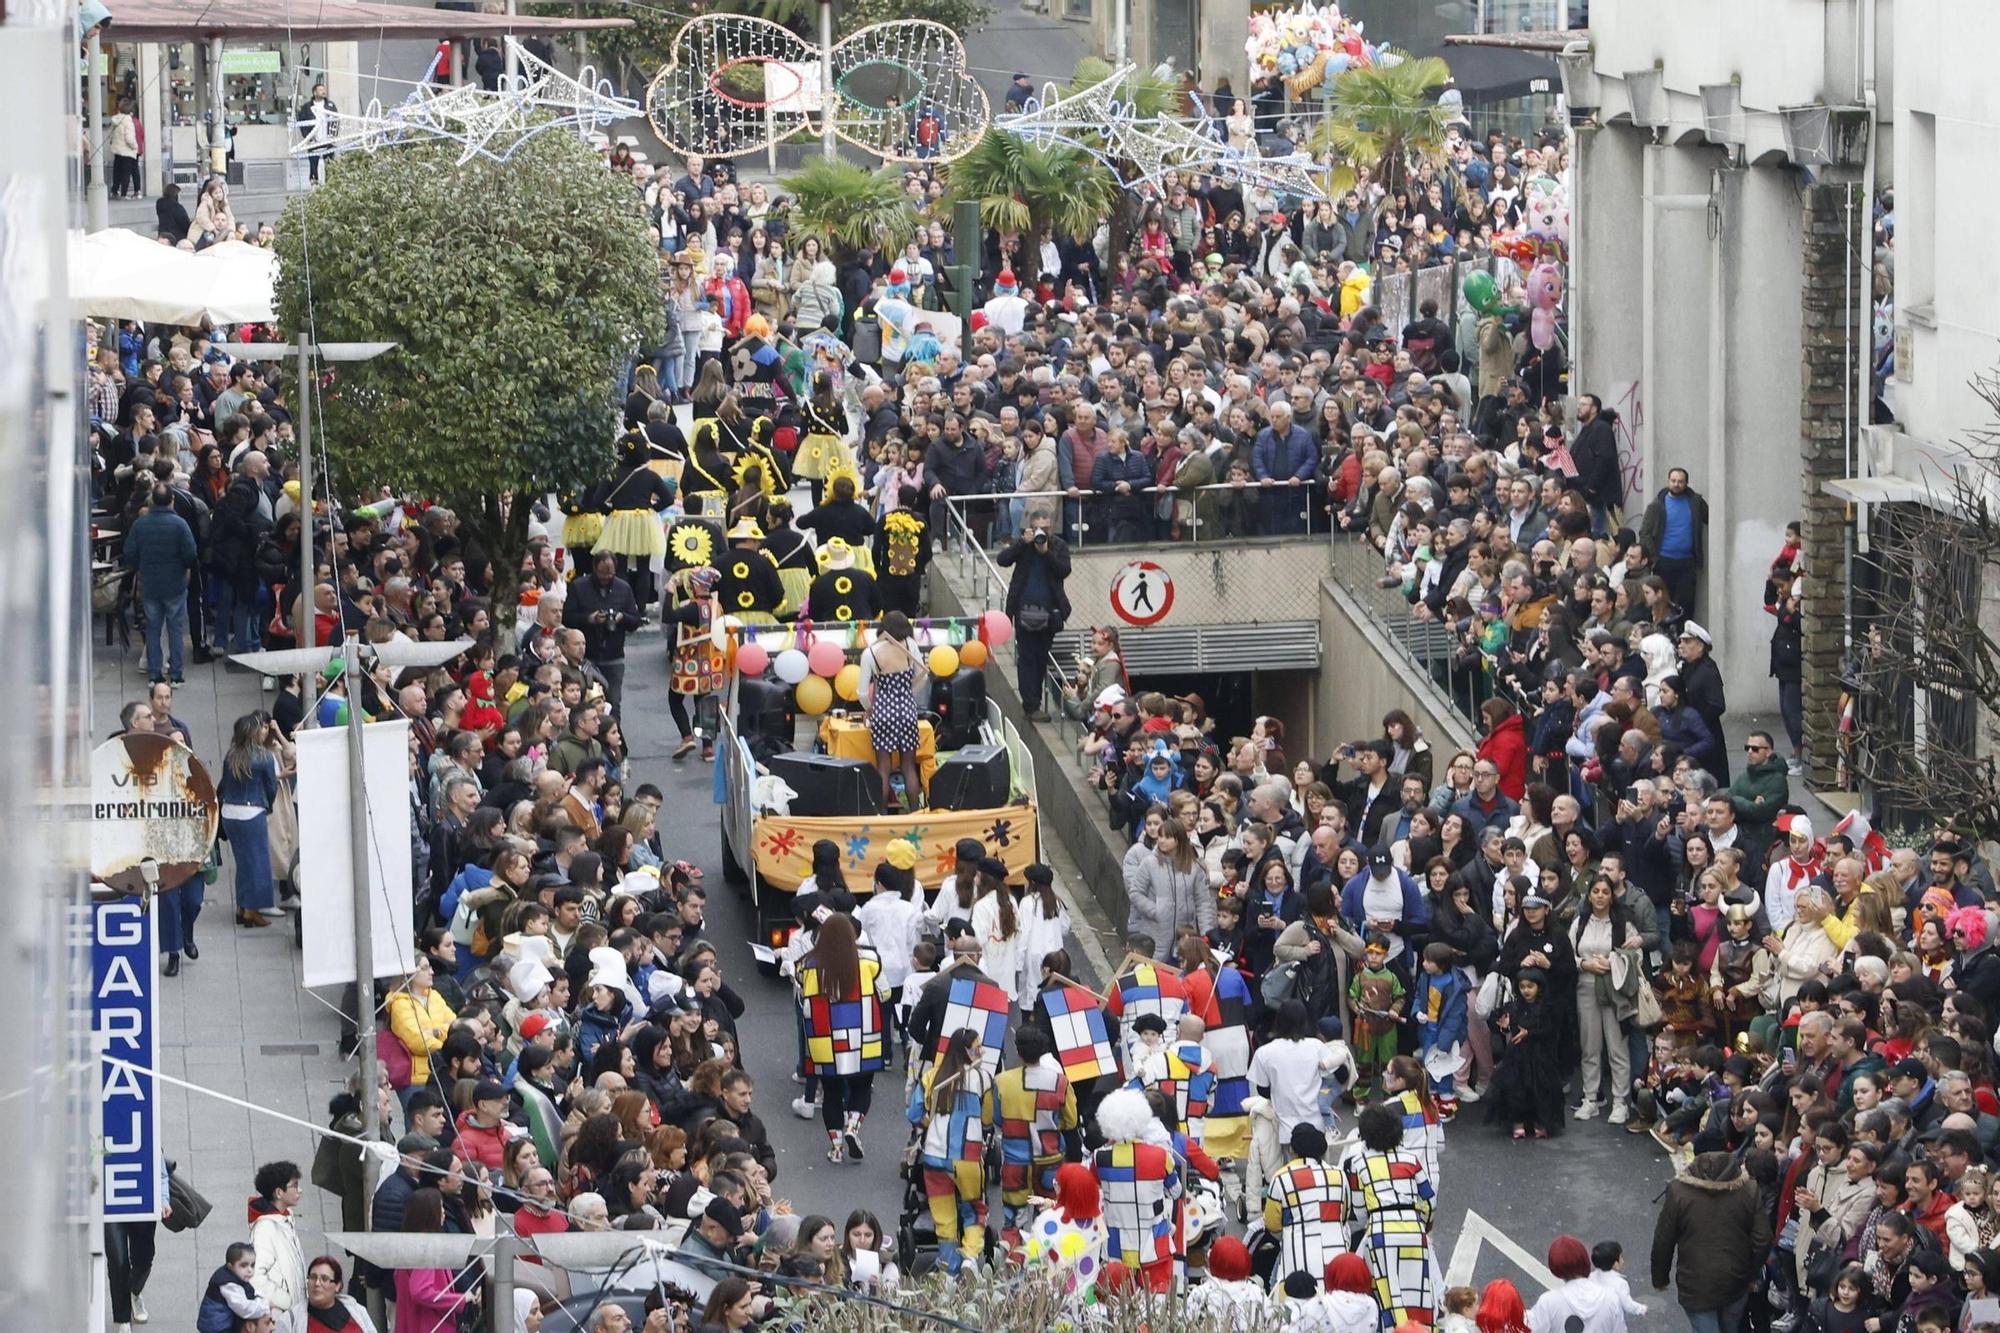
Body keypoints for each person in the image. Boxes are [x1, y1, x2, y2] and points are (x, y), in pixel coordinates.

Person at [795, 913, 888, 1163]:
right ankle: (853, 1127)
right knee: (861, 1087)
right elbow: (886, 992)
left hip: (824, 1040)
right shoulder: (869, 959)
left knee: (832, 1092)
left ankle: (835, 1149)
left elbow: (802, 989)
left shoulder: (808, 964)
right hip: (864, 1037)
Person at [1650, 1152, 1773, 1333]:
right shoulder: (1749, 1190)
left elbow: (1663, 1239)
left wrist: (1660, 1278)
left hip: (1696, 1286)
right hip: (1735, 1282)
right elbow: (1762, 1239)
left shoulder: (1679, 1192)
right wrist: (1750, 1273)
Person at [907, 1027, 997, 1273]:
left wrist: (931, 1123)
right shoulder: (983, 1079)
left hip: (934, 1156)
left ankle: (948, 1265)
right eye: (978, 1048)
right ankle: (969, 1256)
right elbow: (989, 1118)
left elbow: (914, 1114)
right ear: (969, 1052)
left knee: (944, 1217)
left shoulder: (932, 1077)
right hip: (967, 1158)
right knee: (975, 1209)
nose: (981, 1052)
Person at [1346, 1102, 1437, 1331]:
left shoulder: (1359, 1163)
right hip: (1414, 1230)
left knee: (1388, 1297)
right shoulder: (1410, 1159)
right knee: (1419, 1293)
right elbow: (1429, 1200)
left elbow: (1358, 1209)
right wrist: (1422, 1224)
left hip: (1381, 1233)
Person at [994, 510, 1071, 720]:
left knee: (1040, 657)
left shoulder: (1059, 546)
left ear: (1051, 528)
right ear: (1030, 527)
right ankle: (1031, 705)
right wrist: (1021, 543)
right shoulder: (1024, 546)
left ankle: (1035, 701)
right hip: (1023, 612)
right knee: (1027, 659)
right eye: (1037, 528)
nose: (1041, 532)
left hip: (1050, 614)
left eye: (1045, 528)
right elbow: (1002, 560)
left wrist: (1046, 551)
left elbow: (1064, 570)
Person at [123, 484, 199, 685]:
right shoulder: (180, 524)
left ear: (152, 500)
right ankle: (176, 674)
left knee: (153, 629)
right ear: (172, 500)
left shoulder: (140, 524)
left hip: (150, 584)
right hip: (175, 583)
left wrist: (142, 566)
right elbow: (191, 555)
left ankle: (154, 674)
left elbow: (129, 554)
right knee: (175, 630)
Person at [219, 711, 283, 934]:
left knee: (243, 863)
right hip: (252, 812)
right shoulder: (264, 757)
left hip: (229, 812)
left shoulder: (231, 755)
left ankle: (241, 905)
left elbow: (223, 785)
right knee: (259, 863)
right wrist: (268, 806)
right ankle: (252, 910)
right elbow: (271, 787)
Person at [858, 609, 925, 811]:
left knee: (884, 767)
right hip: (906, 710)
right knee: (908, 765)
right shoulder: (910, 645)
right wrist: (908, 693)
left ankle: (882, 813)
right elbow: (922, 674)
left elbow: (862, 692)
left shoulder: (869, 653)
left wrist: (869, 709)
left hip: (882, 712)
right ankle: (914, 810)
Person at [249, 1161, 307, 1333]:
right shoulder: (266, 1228)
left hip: (293, 1317)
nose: (299, 1190)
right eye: (295, 1186)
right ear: (279, 1193)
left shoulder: (283, 1221)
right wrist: (288, 1302)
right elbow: (256, 1278)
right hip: (280, 1320)